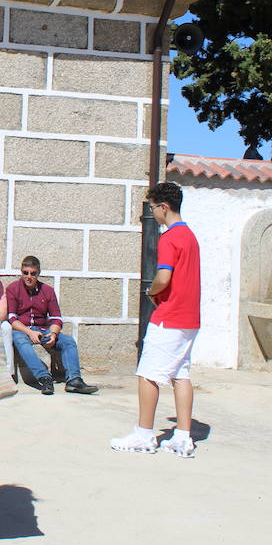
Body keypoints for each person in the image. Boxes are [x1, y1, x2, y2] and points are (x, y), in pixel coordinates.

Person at [111, 181, 200, 457]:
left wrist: (151, 291)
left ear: (164, 207)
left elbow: (163, 277)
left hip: (169, 316)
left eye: (153, 208)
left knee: (147, 374)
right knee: (181, 374)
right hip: (190, 318)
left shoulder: (169, 238)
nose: (154, 213)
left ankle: (144, 434)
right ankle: (184, 437)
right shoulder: (191, 237)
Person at [5, 256, 98, 395]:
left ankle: (74, 380)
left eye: (33, 273)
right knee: (20, 341)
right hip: (22, 329)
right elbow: (12, 318)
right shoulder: (13, 288)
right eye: (25, 273)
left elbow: (56, 318)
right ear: (21, 272)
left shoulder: (47, 290)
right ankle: (44, 378)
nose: (29, 277)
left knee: (68, 341)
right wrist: (30, 333)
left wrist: (53, 334)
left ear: (38, 273)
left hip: (43, 329)